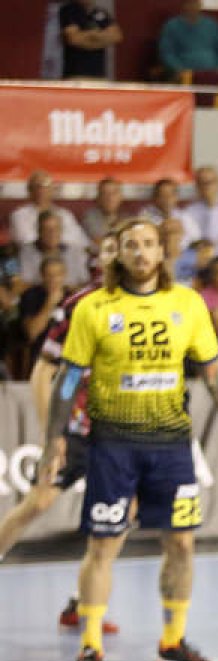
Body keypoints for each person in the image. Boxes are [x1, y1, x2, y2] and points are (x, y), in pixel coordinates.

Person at [52, 217, 218, 661]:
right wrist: (55, 440)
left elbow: (215, 375)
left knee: (183, 545)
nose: (141, 252)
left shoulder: (187, 304)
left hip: (170, 444)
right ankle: (90, 645)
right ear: (118, 253)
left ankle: (173, 640)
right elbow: (68, 376)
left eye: (149, 244)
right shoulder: (95, 308)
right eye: (131, 245)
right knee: (104, 545)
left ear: (161, 252)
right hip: (112, 443)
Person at [0, 233, 120, 636]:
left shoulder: (153, 306)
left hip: (120, 430)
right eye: (110, 252)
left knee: (122, 517)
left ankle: (81, 603)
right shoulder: (78, 306)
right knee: (38, 501)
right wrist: (52, 437)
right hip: (75, 426)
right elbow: (42, 371)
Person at [10, 171, 89, 249]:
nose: (42, 190)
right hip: (33, 256)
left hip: (65, 256)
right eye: (38, 186)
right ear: (29, 190)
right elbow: (26, 240)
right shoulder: (19, 215)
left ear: (52, 189)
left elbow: (80, 241)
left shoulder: (64, 214)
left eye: (46, 186)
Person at [18, 210, 90, 288]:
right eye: (46, 229)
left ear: (61, 230)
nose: (52, 233)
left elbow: (84, 282)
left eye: (56, 228)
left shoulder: (75, 251)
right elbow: (25, 283)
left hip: (71, 296)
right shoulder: (27, 251)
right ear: (39, 231)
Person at [158, 0, 218, 77]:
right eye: (190, 3)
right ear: (184, 5)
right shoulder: (171, 26)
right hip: (183, 76)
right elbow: (167, 53)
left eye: (195, 3)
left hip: (213, 75)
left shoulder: (212, 25)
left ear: (200, 4)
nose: (193, 6)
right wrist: (179, 69)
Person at [59, 0, 122, 80]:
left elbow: (116, 36)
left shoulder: (100, 13)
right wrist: (100, 37)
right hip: (75, 75)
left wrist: (92, 36)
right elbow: (73, 39)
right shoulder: (68, 10)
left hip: (99, 76)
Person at [142, 178, 202, 248]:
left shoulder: (185, 217)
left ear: (176, 197)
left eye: (170, 195)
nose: (167, 199)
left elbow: (196, 241)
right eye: (163, 195)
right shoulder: (145, 217)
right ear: (155, 198)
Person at [81, 178, 126, 245]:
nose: (110, 198)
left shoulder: (128, 217)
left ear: (121, 197)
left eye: (114, 193)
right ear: (98, 198)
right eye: (104, 193)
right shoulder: (90, 217)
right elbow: (100, 242)